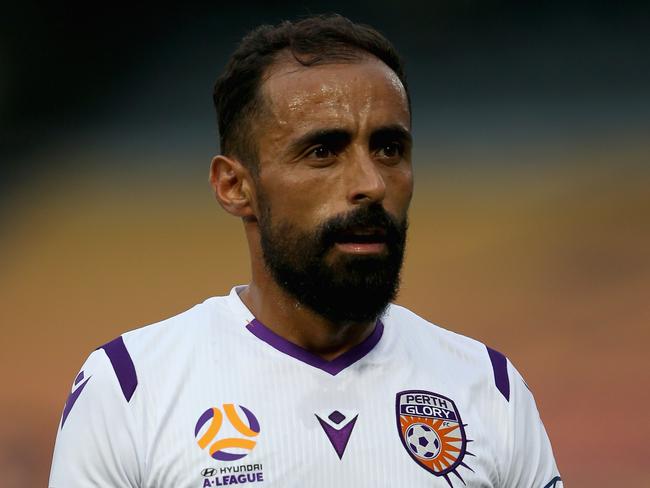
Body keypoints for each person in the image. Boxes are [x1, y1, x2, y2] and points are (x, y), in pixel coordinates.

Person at [49, 14, 562, 488]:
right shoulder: (130, 387)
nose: (371, 184)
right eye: (322, 152)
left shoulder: (488, 387)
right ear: (234, 186)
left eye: (389, 148)